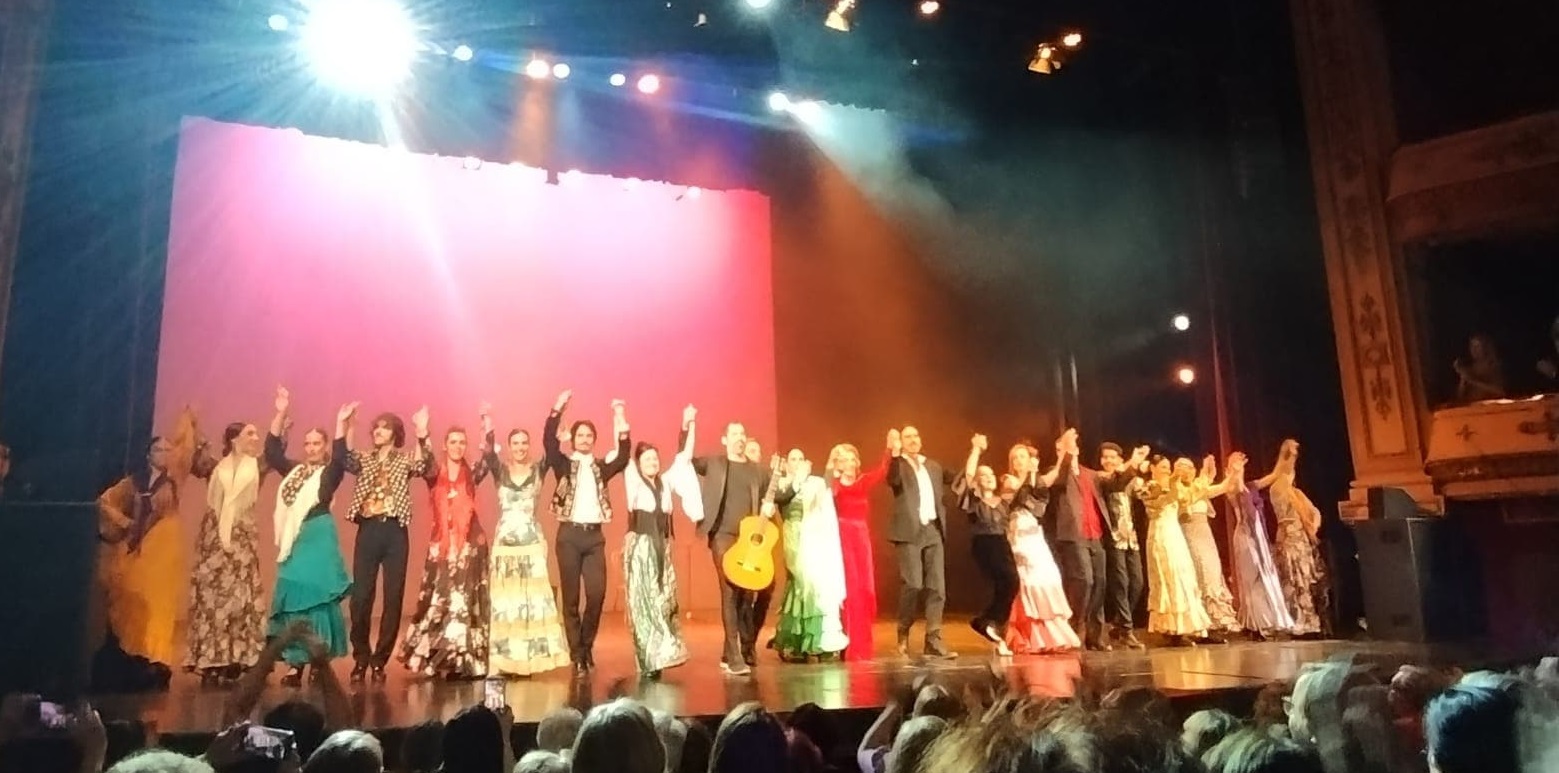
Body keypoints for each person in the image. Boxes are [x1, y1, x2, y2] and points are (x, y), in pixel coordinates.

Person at [97, 407, 213, 673]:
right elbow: (104, 502)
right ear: (149, 454)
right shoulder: (135, 482)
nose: (166, 454)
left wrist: (190, 419)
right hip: (140, 546)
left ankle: (157, 658)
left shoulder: (174, 477)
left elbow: (188, 445)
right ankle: (134, 655)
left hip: (165, 545)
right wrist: (125, 522)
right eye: (160, 450)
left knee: (161, 602)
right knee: (134, 597)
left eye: (168, 449)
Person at [335, 402, 434, 683]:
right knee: (361, 597)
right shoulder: (365, 458)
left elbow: (423, 464)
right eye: (376, 427)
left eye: (384, 427)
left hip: (394, 531)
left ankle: (380, 661)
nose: (378, 431)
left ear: (395, 433)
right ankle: (361, 657)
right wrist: (344, 424)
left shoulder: (403, 460)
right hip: (368, 530)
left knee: (393, 598)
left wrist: (422, 431)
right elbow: (343, 457)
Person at [263, 387, 352, 685]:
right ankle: (295, 663)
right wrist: (281, 412)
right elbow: (272, 452)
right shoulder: (296, 471)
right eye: (307, 443)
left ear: (325, 446)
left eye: (317, 443)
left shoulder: (328, 473)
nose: (311, 448)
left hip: (319, 535)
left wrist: (341, 424)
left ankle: (317, 661)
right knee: (292, 596)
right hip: (296, 539)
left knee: (317, 599)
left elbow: (341, 459)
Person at [541, 390, 632, 676]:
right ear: (574, 439)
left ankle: (586, 646)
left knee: (596, 594)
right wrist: (558, 408)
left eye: (588, 436)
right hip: (568, 536)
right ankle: (577, 654)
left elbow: (625, 455)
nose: (584, 439)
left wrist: (619, 416)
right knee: (570, 599)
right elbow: (548, 442)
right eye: (579, 435)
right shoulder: (564, 464)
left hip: (593, 538)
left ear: (594, 440)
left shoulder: (600, 467)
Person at [683, 415, 778, 676]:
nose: (739, 438)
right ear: (725, 440)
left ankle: (735, 650)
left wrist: (775, 502)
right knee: (730, 588)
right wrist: (687, 426)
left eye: (742, 434)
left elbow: (778, 492)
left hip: (748, 539)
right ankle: (735, 655)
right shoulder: (714, 463)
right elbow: (684, 460)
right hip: (722, 535)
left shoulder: (757, 470)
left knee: (753, 591)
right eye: (734, 434)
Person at [480, 406, 570, 677]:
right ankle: (505, 660)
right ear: (508, 447)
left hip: (531, 542)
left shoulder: (539, 469)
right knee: (506, 604)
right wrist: (487, 419)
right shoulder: (500, 470)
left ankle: (528, 659)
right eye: (515, 443)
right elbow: (487, 452)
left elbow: (552, 451)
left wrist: (558, 411)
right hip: (506, 545)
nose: (520, 447)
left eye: (523, 443)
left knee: (531, 603)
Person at [400, 419, 492, 679]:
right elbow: (425, 460)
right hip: (442, 546)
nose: (458, 446)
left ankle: (463, 660)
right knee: (439, 601)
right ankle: (438, 658)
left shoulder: (472, 474)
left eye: (462, 442)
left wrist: (486, 424)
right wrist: (422, 432)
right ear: (445, 445)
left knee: (464, 603)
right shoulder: (435, 475)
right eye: (453, 442)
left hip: (469, 547)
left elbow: (487, 458)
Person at [184, 420, 269, 684]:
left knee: (240, 599)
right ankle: (211, 661)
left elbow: (275, 449)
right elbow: (195, 458)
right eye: (249, 434)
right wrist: (193, 426)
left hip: (241, 537)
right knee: (211, 600)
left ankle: (236, 658)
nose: (255, 438)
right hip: (214, 538)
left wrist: (281, 416)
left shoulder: (257, 466)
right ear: (234, 439)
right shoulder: (216, 468)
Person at [621, 405, 701, 678]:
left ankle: (664, 652)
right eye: (647, 460)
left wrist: (687, 424)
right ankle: (648, 659)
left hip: (662, 548)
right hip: (642, 548)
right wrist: (620, 414)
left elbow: (683, 457)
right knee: (644, 603)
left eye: (655, 459)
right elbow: (625, 454)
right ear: (640, 464)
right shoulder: (633, 481)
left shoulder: (665, 483)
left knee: (664, 600)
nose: (653, 463)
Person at [884, 426, 956, 660]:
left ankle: (933, 639)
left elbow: (958, 479)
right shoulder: (899, 465)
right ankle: (903, 634)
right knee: (913, 584)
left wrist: (975, 452)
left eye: (916, 435)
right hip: (909, 531)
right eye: (908, 437)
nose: (913, 440)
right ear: (901, 442)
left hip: (932, 530)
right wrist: (893, 453)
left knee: (937, 587)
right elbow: (892, 480)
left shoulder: (932, 466)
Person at [772, 448, 849, 662]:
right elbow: (779, 499)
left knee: (814, 583)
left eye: (800, 458)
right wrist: (795, 478)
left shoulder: (813, 483)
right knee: (801, 581)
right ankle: (795, 641)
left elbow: (825, 490)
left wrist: (832, 464)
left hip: (813, 539)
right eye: (792, 459)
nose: (796, 462)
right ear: (787, 464)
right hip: (794, 536)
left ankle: (815, 640)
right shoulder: (783, 483)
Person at [1041, 428, 1112, 650]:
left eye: (1072, 446)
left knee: (1099, 582)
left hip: (1096, 534)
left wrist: (1131, 464)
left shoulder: (1090, 474)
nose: (1070, 449)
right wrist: (1066, 450)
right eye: (1063, 447)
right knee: (1084, 580)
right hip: (1073, 534)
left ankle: (1095, 634)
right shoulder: (1056, 472)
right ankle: (1075, 626)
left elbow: (1114, 480)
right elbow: (1060, 475)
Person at [951, 434, 1018, 655]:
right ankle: (988, 621)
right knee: (1008, 579)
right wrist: (976, 450)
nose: (987, 477)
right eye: (983, 475)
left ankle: (990, 624)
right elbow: (968, 477)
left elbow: (1024, 488)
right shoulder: (975, 501)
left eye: (990, 474)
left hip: (1002, 542)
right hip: (985, 542)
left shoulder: (1003, 502)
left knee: (1010, 584)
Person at [827, 437, 892, 662]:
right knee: (852, 590)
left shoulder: (863, 482)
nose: (851, 462)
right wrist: (831, 474)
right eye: (844, 459)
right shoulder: (834, 487)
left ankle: (864, 643)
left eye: (852, 458)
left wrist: (889, 449)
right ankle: (850, 643)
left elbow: (882, 471)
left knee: (866, 590)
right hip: (844, 538)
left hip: (861, 539)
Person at [1254, 439, 1328, 637]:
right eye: (1291, 457)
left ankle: (1307, 621)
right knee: (1292, 578)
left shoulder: (1296, 493)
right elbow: (1283, 514)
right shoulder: (1279, 489)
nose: (1293, 463)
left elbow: (1315, 512)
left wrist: (1313, 526)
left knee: (1302, 578)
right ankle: (1294, 620)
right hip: (1289, 537)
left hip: (1300, 537)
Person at [1136, 456, 1211, 645]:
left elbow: (1194, 493)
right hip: (1160, 535)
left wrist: (1206, 473)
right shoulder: (1149, 486)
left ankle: (1182, 628)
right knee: (1167, 578)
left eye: (1168, 467)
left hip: (1175, 535)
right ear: (1152, 468)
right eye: (1162, 467)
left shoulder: (1175, 485)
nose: (1166, 470)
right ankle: (1170, 630)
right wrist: (1174, 479)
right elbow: (1161, 500)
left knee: (1183, 577)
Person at [1223, 451, 1295, 637]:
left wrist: (1284, 454)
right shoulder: (1232, 487)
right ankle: (1257, 624)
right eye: (1232, 463)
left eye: (1239, 462)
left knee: (1264, 577)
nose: (1238, 464)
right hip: (1246, 536)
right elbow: (1237, 487)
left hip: (1259, 535)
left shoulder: (1251, 486)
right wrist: (1236, 472)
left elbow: (1274, 475)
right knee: (1252, 578)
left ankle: (1267, 620)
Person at [1178, 456, 1241, 638]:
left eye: (1190, 467)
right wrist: (1205, 477)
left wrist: (1235, 472)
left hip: (1206, 537)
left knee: (1212, 574)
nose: (1187, 471)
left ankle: (1215, 623)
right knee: (1200, 575)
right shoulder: (1178, 490)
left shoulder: (1200, 488)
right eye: (1183, 468)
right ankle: (1200, 626)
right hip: (1189, 537)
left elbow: (1223, 487)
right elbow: (1189, 499)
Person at [1096, 442, 1149, 649]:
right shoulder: (1101, 477)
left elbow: (1141, 492)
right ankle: (1126, 629)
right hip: (1114, 537)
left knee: (1137, 583)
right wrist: (1133, 463)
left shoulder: (1127, 477)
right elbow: (1114, 482)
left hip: (1131, 538)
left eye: (1112, 457)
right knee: (1121, 582)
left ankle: (1118, 624)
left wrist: (1144, 477)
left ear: (1119, 459)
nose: (1108, 460)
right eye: (1105, 457)